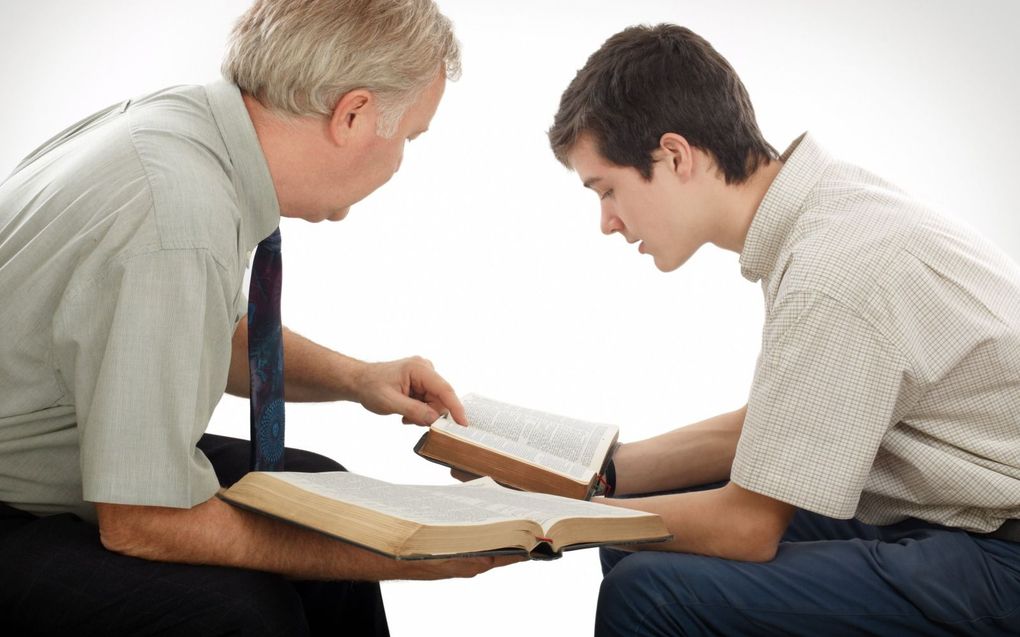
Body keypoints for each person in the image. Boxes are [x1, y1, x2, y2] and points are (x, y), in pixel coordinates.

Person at [0, 1, 518, 635]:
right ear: (353, 114)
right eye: (408, 138)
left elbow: (200, 331)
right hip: (16, 497)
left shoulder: (191, 130)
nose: (400, 162)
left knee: (324, 494)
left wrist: (357, 379)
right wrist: (399, 553)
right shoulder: (177, 217)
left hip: (62, 443)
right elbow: (145, 519)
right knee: (248, 615)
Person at [548, 24, 1020, 636]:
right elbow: (785, 424)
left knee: (652, 593)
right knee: (642, 540)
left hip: (999, 551)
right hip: (962, 513)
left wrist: (548, 517)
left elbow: (747, 528)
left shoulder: (832, 270)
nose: (607, 221)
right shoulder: (822, 209)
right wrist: (595, 474)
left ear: (674, 156)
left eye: (607, 189)